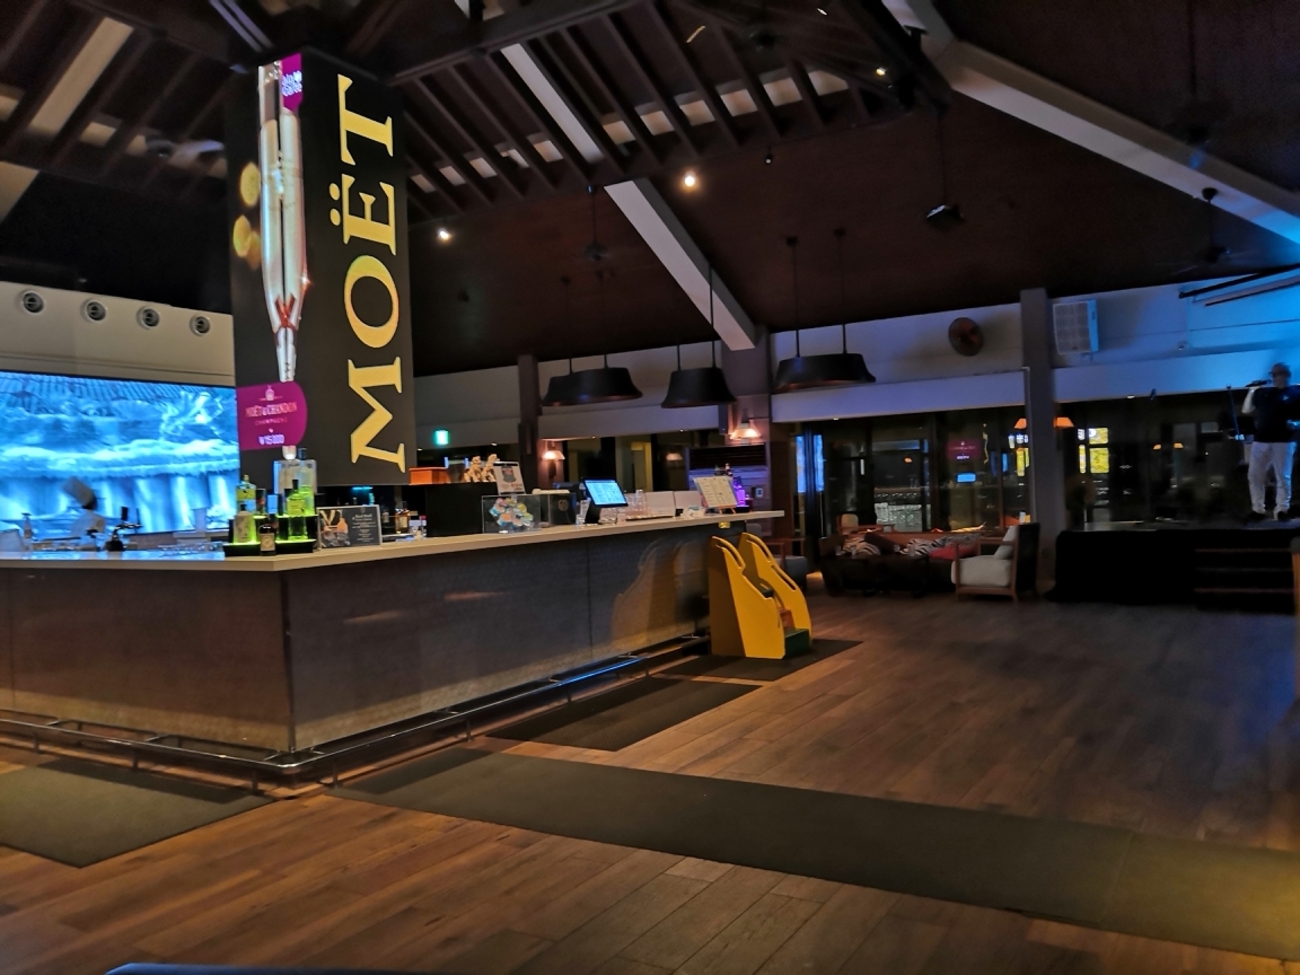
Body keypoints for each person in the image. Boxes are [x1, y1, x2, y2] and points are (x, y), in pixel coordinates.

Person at [1242, 362, 1300, 520]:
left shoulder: (1296, 393)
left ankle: (1281, 509)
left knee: (1282, 476)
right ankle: (1257, 509)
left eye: (1279, 374)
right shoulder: (1264, 393)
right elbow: (1246, 410)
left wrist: (1296, 423)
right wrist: (1252, 391)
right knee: (1254, 475)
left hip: (1284, 440)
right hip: (1261, 440)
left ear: (1287, 375)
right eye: (1273, 374)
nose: (1275, 377)